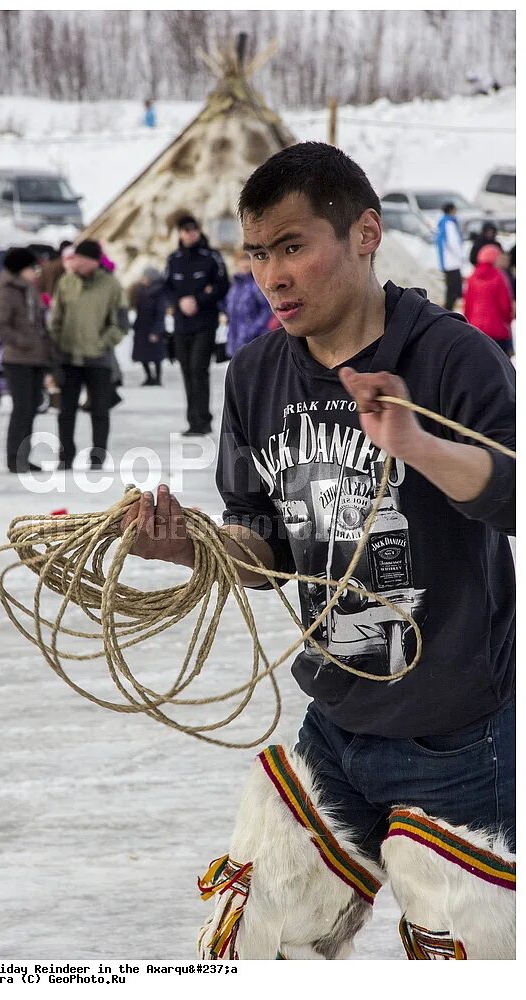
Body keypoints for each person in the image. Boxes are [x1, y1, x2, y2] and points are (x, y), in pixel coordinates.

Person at [120, 142, 515, 960]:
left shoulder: (447, 357)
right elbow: (259, 537)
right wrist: (190, 550)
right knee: (254, 944)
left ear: (364, 234)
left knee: (467, 962)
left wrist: (419, 445)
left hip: (455, 732)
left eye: (293, 246)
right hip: (333, 721)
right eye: (257, 253)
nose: (272, 276)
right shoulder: (258, 372)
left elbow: (512, 494)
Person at [48, 239, 128, 470]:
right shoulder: (65, 282)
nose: (75, 263)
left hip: (99, 359)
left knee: (100, 410)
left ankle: (98, 455)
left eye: (81, 259)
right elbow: (56, 319)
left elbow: (121, 323)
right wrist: (56, 346)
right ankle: (66, 456)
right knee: (66, 411)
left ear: (93, 261)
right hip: (69, 358)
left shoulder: (111, 285)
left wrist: (102, 343)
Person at [163, 214, 230, 435]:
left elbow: (222, 285)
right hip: (182, 325)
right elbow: (166, 288)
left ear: (199, 231)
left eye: (193, 229)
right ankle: (193, 419)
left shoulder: (211, 257)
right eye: (185, 230)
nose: (189, 234)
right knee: (186, 371)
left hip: (204, 322)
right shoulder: (174, 259)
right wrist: (179, 302)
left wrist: (199, 300)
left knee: (198, 369)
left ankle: (203, 419)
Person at [0, 247, 50, 474]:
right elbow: (0, 325)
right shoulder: (8, 291)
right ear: (20, 270)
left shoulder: (29, 289)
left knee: (32, 407)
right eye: (31, 268)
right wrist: (22, 341)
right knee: (22, 409)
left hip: (36, 357)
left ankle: (24, 456)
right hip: (17, 359)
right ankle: (14, 458)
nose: (35, 272)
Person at [464, 244, 514, 357]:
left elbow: (467, 305)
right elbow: (505, 306)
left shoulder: (472, 277)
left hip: (476, 330)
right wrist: (508, 320)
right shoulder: (499, 277)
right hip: (498, 331)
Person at [224, 250, 273, 357]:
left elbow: (267, 310)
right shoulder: (234, 287)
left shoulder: (257, 286)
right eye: (242, 260)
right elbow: (229, 310)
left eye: (247, 260)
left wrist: (253, 330)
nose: (244, 264)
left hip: (255, 340)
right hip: (235, 341)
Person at [131, 267, 168, 385]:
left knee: (156, 356)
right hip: (142, 328)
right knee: (142, 355)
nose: (143, 279)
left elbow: (160, 313)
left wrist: (156, 331)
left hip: (153, 327)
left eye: (145, 277)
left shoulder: (159, 293)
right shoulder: (141, 291)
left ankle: (157, 378)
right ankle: (149, 377)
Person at [435, 202, 464, 310]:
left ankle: (449, 308)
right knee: (454, 289)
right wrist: (460, 255)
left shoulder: (442, 222)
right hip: (452, 262)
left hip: (448, 261)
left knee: (451, 288)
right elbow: (453, 242)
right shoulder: (449, 224)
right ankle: (449, 309)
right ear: (451, 210)